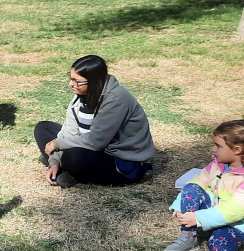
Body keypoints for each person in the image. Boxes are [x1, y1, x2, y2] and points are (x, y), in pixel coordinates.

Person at [33, 55, 154, 188]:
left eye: (77, 81)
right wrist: (54, 161)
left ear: (94, 81)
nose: (71, 84)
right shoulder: (81, 96)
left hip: (122, 162)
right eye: (71, 78)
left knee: (73, 157)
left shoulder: (116, 99)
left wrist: (57, 144)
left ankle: (72, 169)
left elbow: (96, 142)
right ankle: (65, 167)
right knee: (43, 128)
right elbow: (69, 132)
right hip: (90, 147)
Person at [165, 121, 244, 251]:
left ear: (237, 150)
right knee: (192, 188)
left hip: (235, 222)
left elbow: (234, 210)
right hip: (213, 208)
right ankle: (189, 235)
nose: (213, 149)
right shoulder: (218, 164)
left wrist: (198, 218)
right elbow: (197, 182)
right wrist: (180, 204)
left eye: (218, 146)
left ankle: (211, 229)